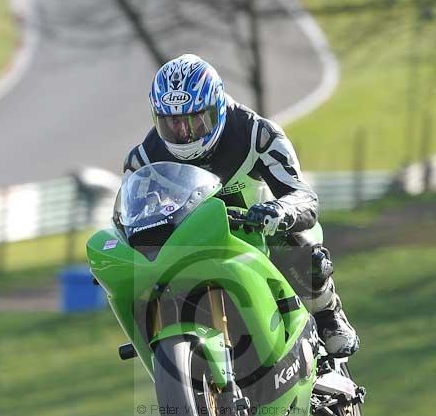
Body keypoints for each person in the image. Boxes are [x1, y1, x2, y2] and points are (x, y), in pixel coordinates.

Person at [122, 54, 359, 357]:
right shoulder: (142, 159)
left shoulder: (257, 134)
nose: (183, 133)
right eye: (172, 123)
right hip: (190, 244)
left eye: (194, 120)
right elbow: (129, 219)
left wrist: (281, 211)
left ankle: (328, 314)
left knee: (302, 245)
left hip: (258, 231)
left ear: (217, 108)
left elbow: (304, 195)